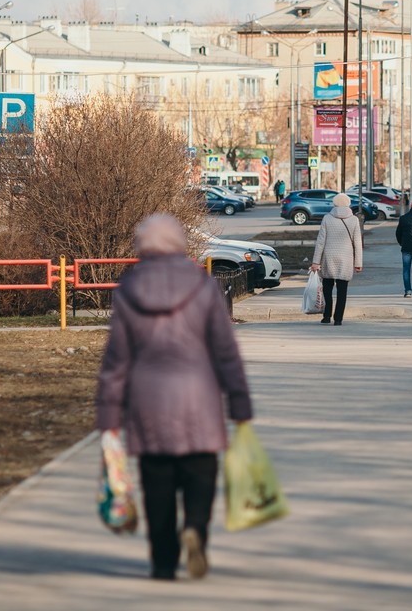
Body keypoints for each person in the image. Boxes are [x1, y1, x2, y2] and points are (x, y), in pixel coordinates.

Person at [95, 214, 252, 582]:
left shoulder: (130, 290)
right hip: (199, 397)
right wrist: (240, 403)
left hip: (148, 403)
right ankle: (195, 527)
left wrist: (108, 418)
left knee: (157, 485)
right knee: (200, 471)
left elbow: (116, 360)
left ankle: (164, 562)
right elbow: (225, 351)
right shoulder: (202, 286)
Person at [312, 193, 363, 325]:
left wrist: (316, 262)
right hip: (346, 258)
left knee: (327, 288)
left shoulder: (327, 218)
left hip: (329, 257)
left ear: (334, 204)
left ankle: (327, 316)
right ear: (348, 204)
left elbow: (320, 241)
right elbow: (357, 242)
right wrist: (358, 263)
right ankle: (338, 319)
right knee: (342, 290)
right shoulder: (354, 220)